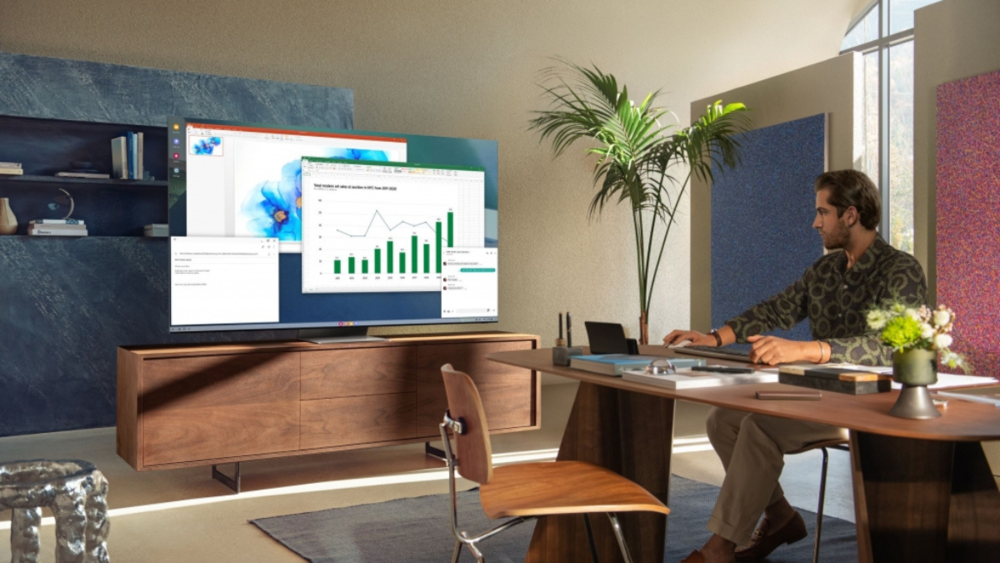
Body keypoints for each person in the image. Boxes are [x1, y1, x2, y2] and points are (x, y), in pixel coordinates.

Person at [664, 170, 927, 563]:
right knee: (722, 420)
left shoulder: (900, 270)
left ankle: (719, 549)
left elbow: (889, 346)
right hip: (818, 394)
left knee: (758, 427)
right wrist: (714, 337)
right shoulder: (825, 270)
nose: (815, 222)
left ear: (851, 215)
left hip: (870, 403)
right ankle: (782, 516)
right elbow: (777, 307)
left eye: (823, 212)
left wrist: (806, 350)